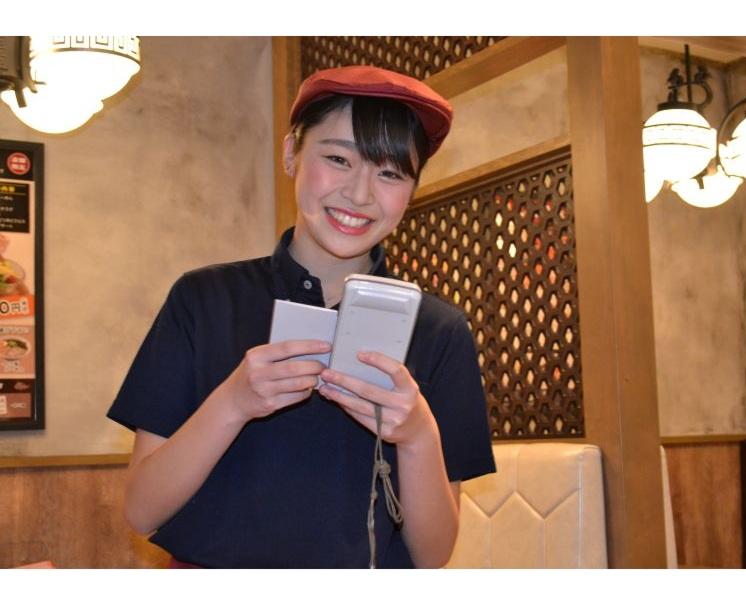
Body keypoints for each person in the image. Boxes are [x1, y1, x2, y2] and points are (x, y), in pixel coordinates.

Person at [107, 65, 496, 569]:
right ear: (291, 152)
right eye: (338, 159)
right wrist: (234, 401)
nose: (360, 194)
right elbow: (141, 511)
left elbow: (434, 554)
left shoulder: (440, 330)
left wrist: (418, 435)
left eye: (390, 173)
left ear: (412, 188)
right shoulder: (203, 300)